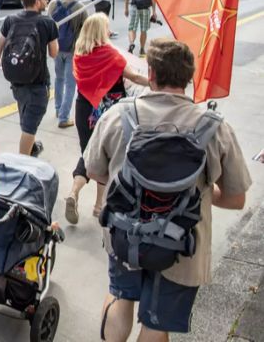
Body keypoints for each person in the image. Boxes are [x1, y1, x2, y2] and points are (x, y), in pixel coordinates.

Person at [85, 38, 251, 342]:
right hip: (183, 247)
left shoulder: (118, 116)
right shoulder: (214, 128)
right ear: (190, 77)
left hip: (125, 235)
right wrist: (200, 194)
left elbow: (95, 172)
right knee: (155, 323)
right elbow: (236, 198)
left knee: (120, 297)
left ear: (151, 72)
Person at [67, 13, 148, 225]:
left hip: (84, 109)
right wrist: (157, 82)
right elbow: (135, 77)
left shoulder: (80, 55)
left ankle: (74, 192)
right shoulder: (109, 54)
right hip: (109, 112)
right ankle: (98, 205)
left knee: (88, 153)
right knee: (107, 156)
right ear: (101, 31)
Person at [0, 0, 58, 156]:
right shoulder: (47, 23)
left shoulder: (11, 20)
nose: (46, 1)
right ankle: (22, 162)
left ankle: (31, 148)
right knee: (30, 126)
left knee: (25, 115)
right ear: (37, 2)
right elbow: (53, 53)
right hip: (38, 81)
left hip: (17, 80)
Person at [47, 0, 87, 128]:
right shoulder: (80, 7)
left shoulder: (52, 4)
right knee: (71, 84)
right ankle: (64, 117)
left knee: (59, 79)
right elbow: (86, 29)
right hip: (72, 49)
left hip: (56, 47)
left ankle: (58, 109)